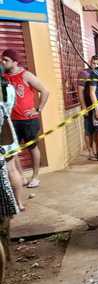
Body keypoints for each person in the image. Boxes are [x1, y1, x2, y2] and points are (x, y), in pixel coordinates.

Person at [1, 49, 49, 188]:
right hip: (10, 121)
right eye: (2, 60)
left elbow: (45, 91)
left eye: (6, 60)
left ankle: (35, 176)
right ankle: (21, 176)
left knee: (32, 147)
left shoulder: (26, 75)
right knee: (12, 150)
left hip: (28, 120)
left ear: (15, 62)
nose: (3, 63)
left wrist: (38, 109)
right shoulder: (3, 77)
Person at [0, 72, 24, 211]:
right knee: (12, 169)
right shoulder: (9, 87)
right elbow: (12, 106)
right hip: (8, 131)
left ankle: (7, 206)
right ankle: (18, 203)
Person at [78, 57, 98, 161]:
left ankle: (96, 151)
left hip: (97, 106)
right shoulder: (84, 74)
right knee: (88, 130)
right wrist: (84, 107)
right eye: (93, 63)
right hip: (88, 106)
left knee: (96, 130)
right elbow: (80, 92)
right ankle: (90, 152)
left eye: (97, 63)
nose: (95, 65)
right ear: (90, 62)